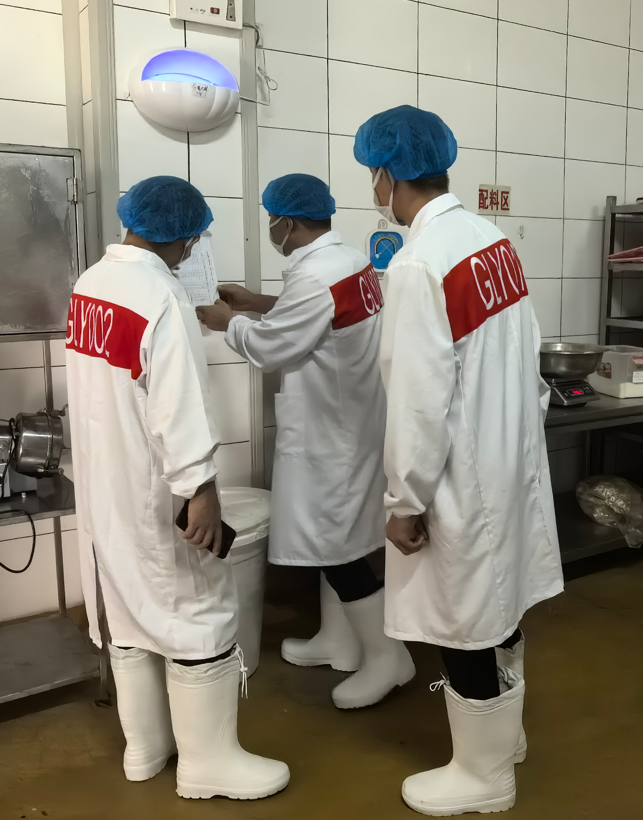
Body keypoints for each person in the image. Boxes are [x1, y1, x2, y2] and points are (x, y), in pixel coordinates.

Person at [353, 106, 564, 815]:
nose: (373, 188)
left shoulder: (418, 263)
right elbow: (524, 351)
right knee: (498, 609)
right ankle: (505, 741)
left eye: (373, 175)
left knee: (463, 620)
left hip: (459, 476)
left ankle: (483, 776)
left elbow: (417, 400)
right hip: (505, 459)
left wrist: (404, 501)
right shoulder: (491, 240)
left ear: (388, 175)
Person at [65, 176, 289, 801]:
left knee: (129, 610)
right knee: (197, 611)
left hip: (106, 489)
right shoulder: (160, 296)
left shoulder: (92, 284)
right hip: (155, 488)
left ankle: (145, 748)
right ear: (187, 239)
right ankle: (207, 764)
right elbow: (177, 407)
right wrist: (201, 490)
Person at [196, 173, 415, 709]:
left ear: (287, 222)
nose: (272, 228)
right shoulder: (347, 262)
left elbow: (272, 348)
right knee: (337, 540)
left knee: (336, 547)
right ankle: (338, 641)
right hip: (350, 424)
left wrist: (229, 322)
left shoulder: (317, 276)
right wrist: (257, 301)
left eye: (273, 220)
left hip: (330, 435)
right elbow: (319, 317)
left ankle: (388, 657)